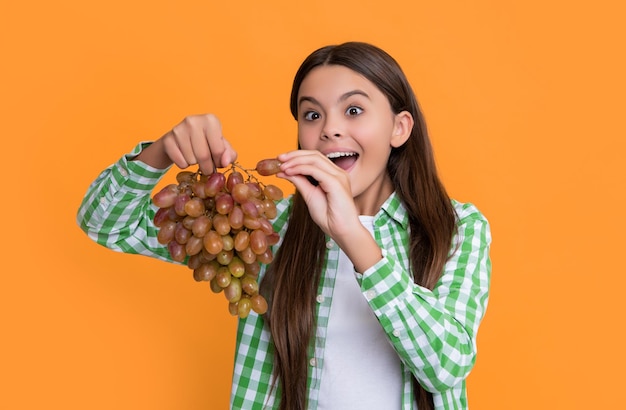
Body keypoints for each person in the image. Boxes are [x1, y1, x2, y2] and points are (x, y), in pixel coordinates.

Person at [77, 41, 491, 410]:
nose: (329, 128)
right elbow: (106, 225)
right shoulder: (262, 230)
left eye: (353, 110)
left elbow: (447, 366)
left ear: (399, 128)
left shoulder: (457, 228)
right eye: (312, 114)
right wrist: (161, 151)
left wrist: (352, 236)